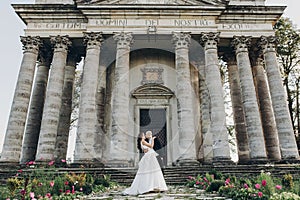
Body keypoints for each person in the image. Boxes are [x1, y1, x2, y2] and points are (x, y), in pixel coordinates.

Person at [123, 131, 168, 195]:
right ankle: (149, 186)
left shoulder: (143, 142)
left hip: (150, 156)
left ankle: (153, 186)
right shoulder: (143, 141)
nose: (145, 136)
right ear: (141, 137)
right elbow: (151, 146)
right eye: (144, 135)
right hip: (149, 157)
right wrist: (152, 139)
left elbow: (147, 149)